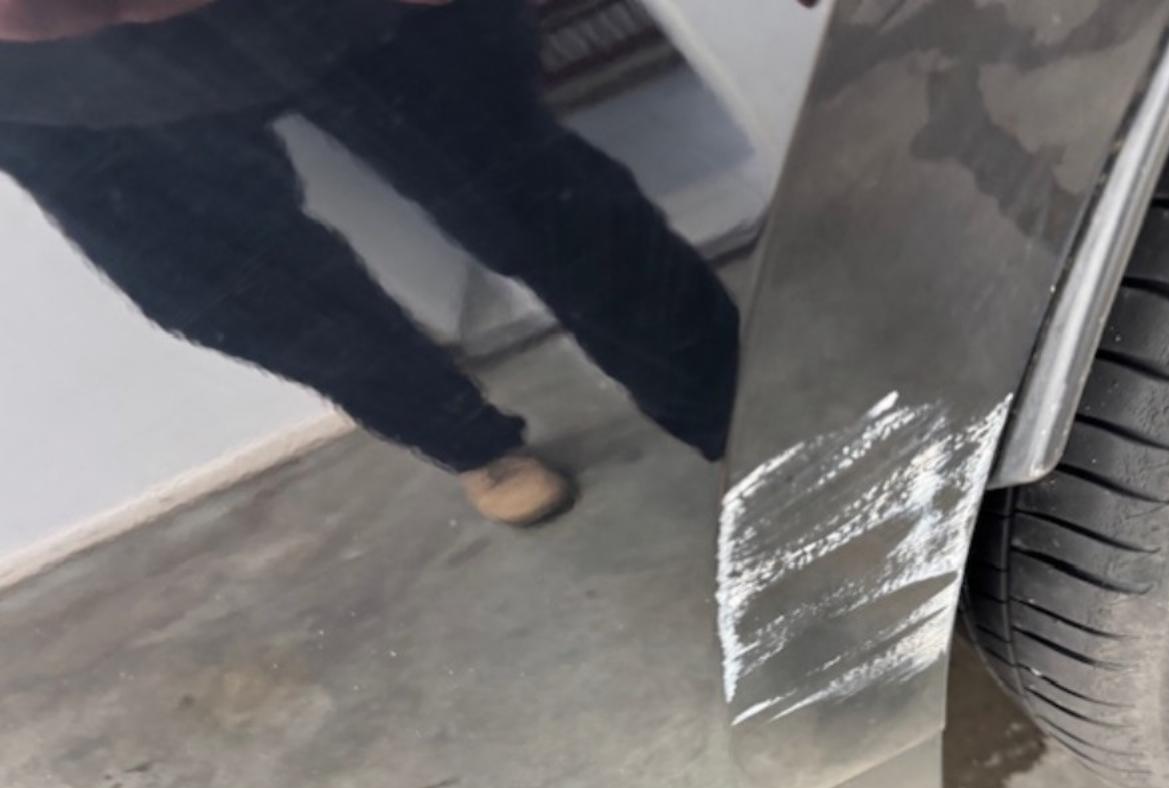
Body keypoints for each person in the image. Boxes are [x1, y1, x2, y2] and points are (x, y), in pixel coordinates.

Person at [0, 0, 742, 525]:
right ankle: (465, 440)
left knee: (539, 199)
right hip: (43, 80)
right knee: (237, 290)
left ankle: (736, 420)